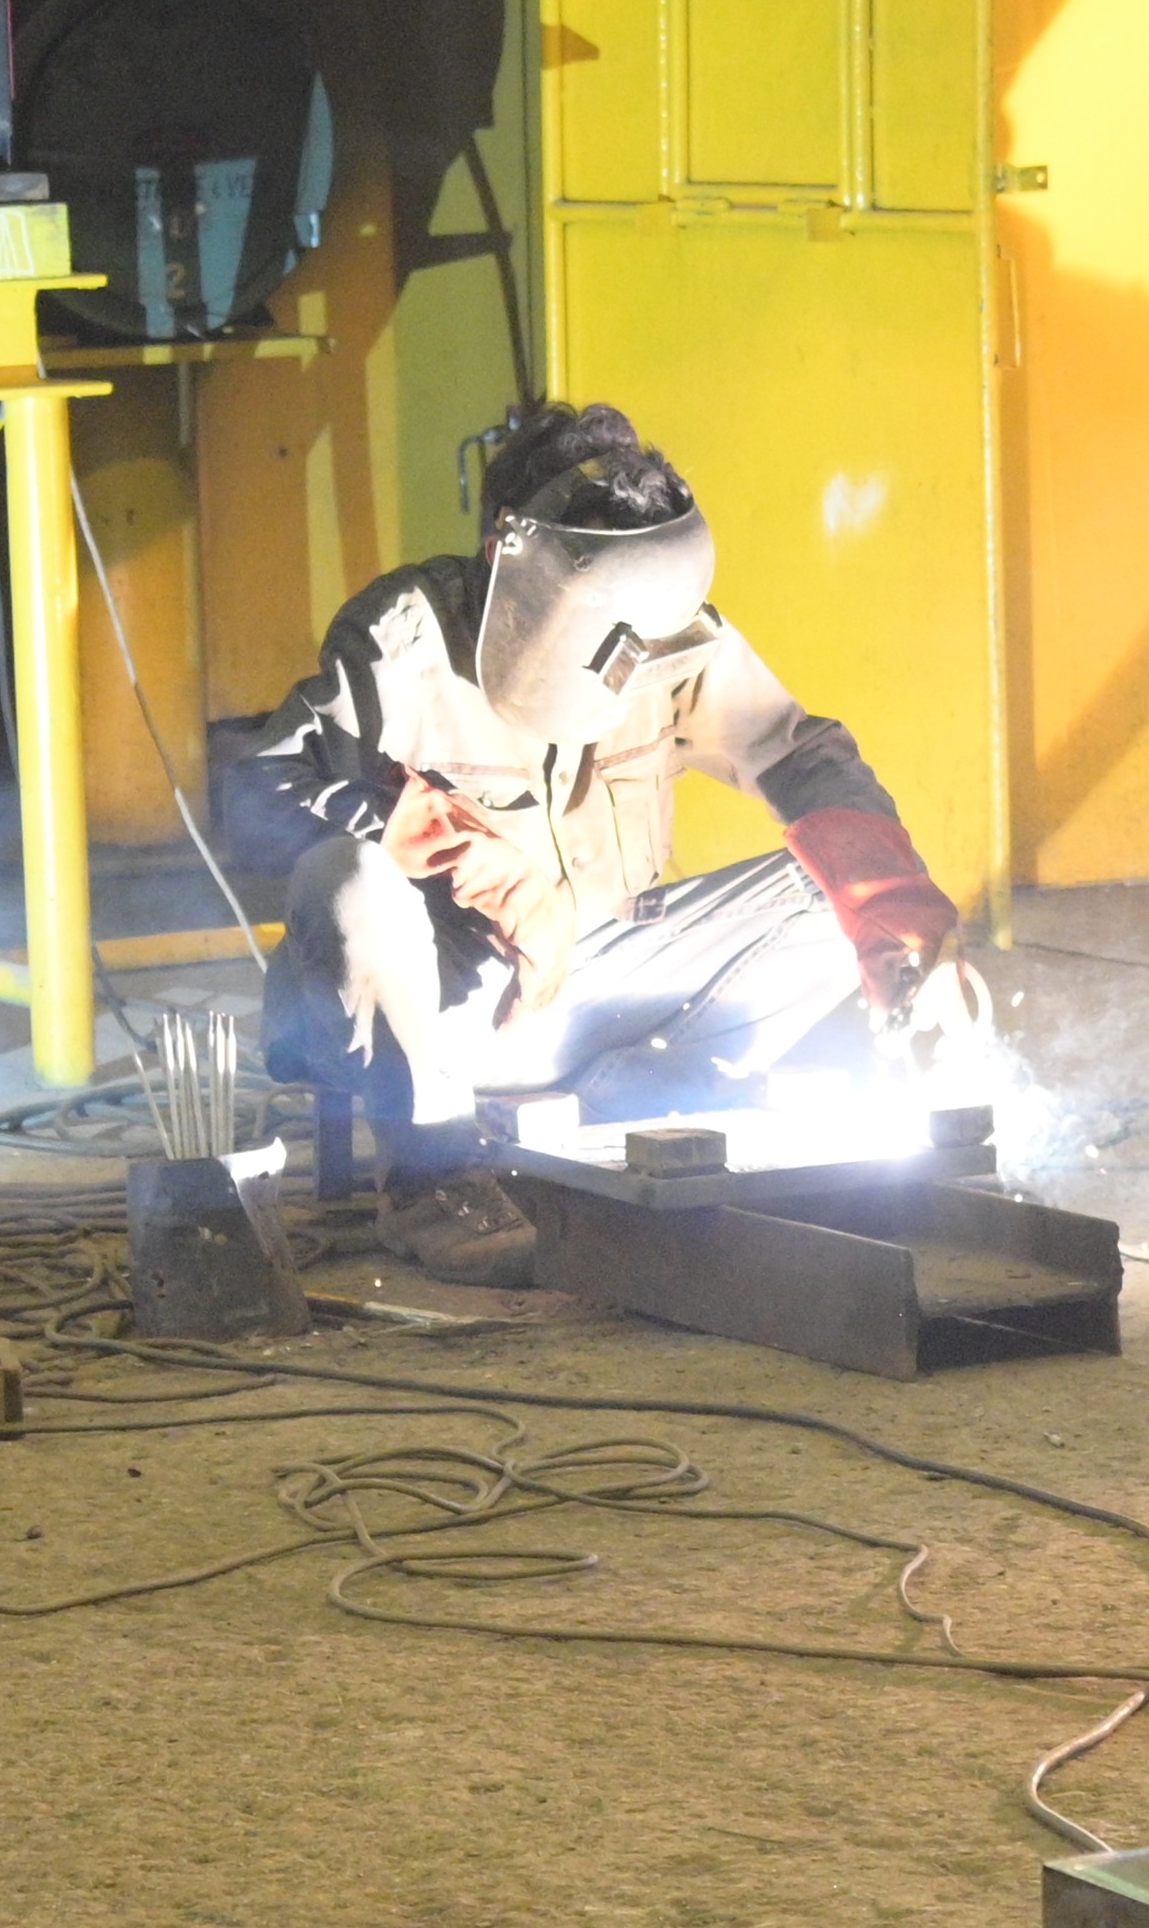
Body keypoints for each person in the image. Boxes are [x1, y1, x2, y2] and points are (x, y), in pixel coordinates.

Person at [241, 401, 969, 1276]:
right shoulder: (405, 640)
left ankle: (647, 1112)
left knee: (827, 884)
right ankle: (432, 1171)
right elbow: (259, 796)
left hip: (603, 975)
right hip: (457, 1007)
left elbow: (797, 755)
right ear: (509, 563)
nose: (625, 652)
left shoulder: (666, 629)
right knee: (346, 875)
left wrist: (896, 914)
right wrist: (466, 853)